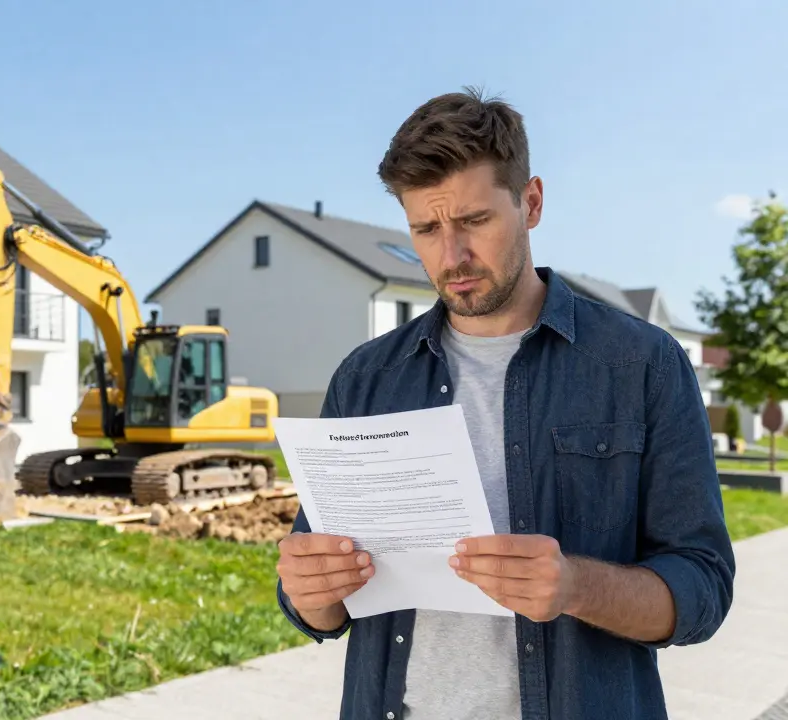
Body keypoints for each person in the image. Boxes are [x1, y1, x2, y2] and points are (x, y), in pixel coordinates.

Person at [274, 88, 736, 720]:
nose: (451, 256)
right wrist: (308, 593)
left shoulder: (643, 364)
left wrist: (576, 586)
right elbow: (318, 605)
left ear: (531, 202)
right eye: (426, 229)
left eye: (474, 221)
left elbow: (703, 588)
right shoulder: (365, 378)